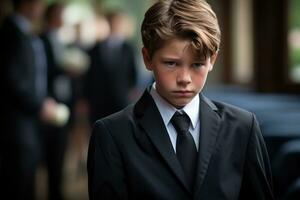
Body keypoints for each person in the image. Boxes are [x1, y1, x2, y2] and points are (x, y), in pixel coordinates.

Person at [87, 0, 274, 199]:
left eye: (197, 65)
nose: (184, 78)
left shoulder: (243, 128)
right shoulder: (112, 134)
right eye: (171, 63)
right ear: (147, 58)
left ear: (212, 61)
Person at [0, 0, 58, 199]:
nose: (42, 7)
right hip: (16, 122)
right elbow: (12, 80)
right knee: (19, 182)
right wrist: (39, 103)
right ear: (27, 4)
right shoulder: (11, 34)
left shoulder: (22, 32)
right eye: (39, 3)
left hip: (26, 119)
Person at [40, 3, 73, 200]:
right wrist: (64, 68)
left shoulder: (61, 40)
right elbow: (43, 73)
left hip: (64, 101)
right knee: (51, 150)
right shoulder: (42, 40)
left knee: (61, 149)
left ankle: (57, 190)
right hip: (49, 103)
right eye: (60, 14)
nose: (63, 18)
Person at [85, 10, 137, 124]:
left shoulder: (128, 48)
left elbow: (132, 72)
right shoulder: (96, 48)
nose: (115, 25)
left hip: (121, 98)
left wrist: (131, 91)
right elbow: (90, 75)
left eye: (117, 22)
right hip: (99, 99)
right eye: (112, 22)